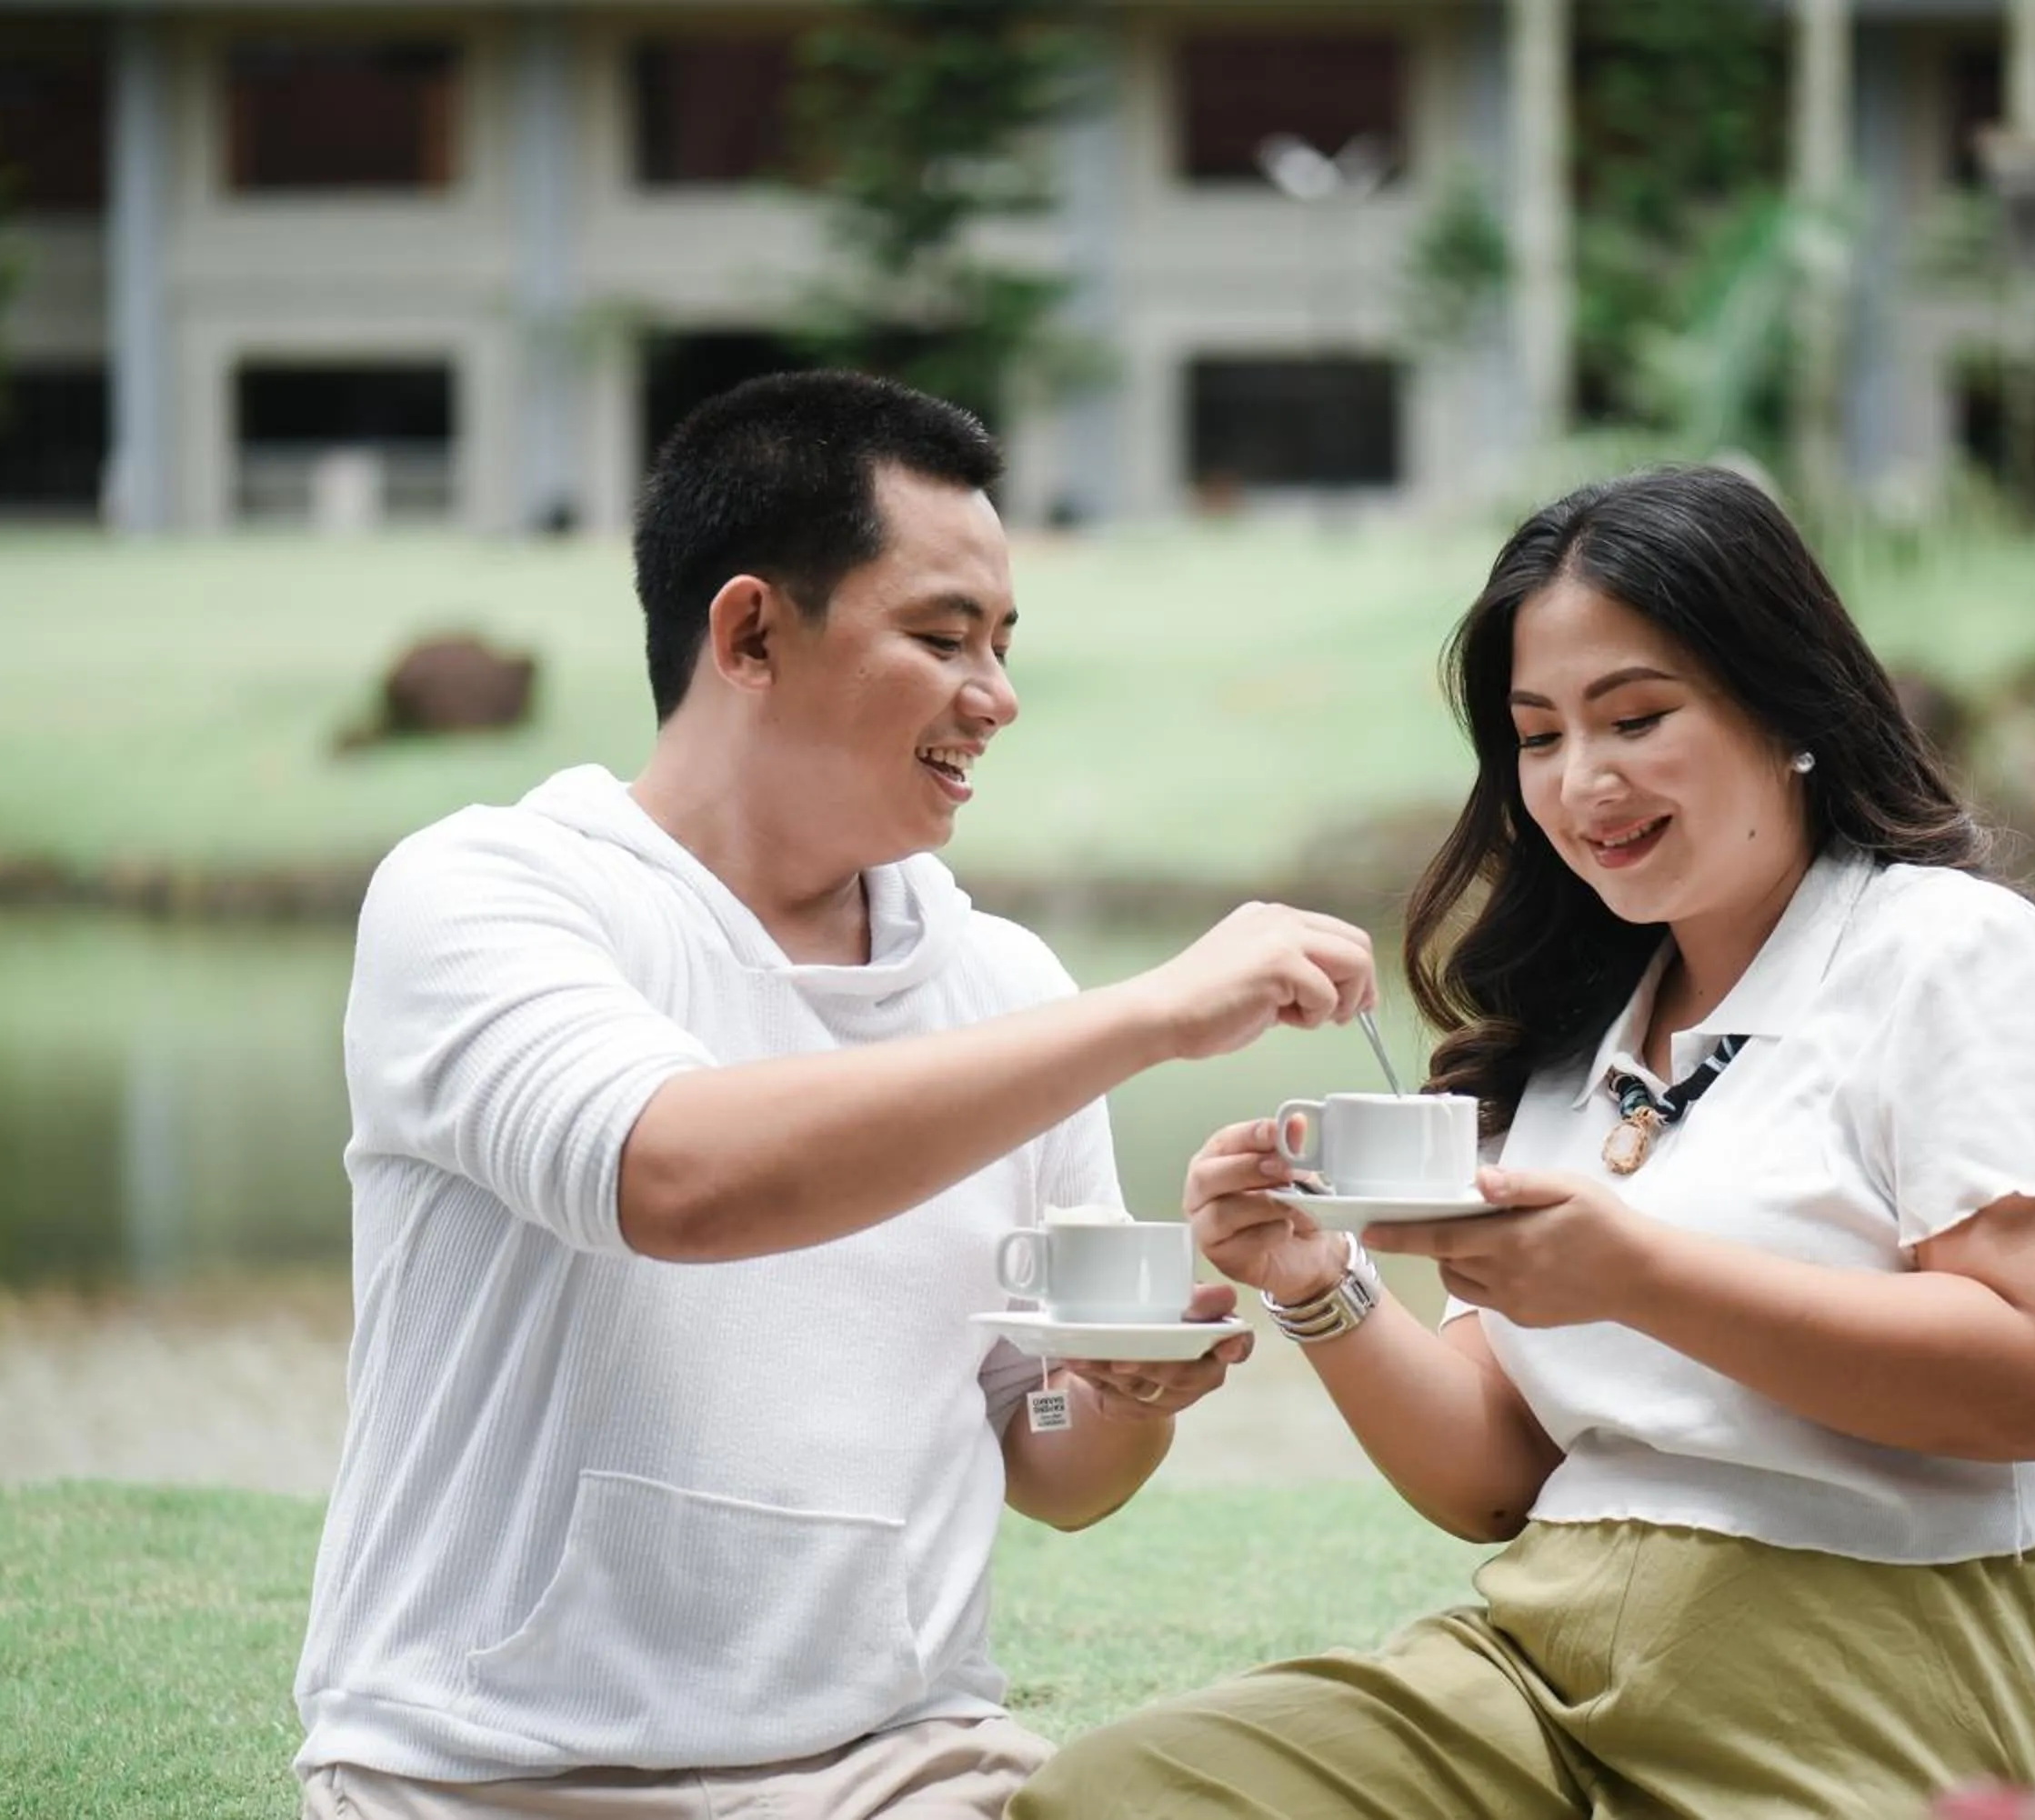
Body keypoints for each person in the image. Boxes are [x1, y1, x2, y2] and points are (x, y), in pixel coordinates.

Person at [291, 372, 1378, 1820]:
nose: (996, 697)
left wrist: (1119, 1397)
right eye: (942, 638)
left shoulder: (1005, 984)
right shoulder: (485, 893)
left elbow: (1049, 1463)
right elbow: (677, 1179)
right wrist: (1147, 1016)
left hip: (900, 1765)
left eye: (1003, 643)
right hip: (490, 1775)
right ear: (749, 632)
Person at [1015, 464, 2035, 1819]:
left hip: (1890, 1678)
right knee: (1117, 1795)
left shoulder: (1958, 960)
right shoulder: (1577, 1036)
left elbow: (2034, 1375)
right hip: (1542, 1673)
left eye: (1636, 718)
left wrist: (1634, 1274)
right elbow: (1496, 1471)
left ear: (1787, 704)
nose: (1582, 782)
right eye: (1539, 735)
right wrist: (1317, 1281)